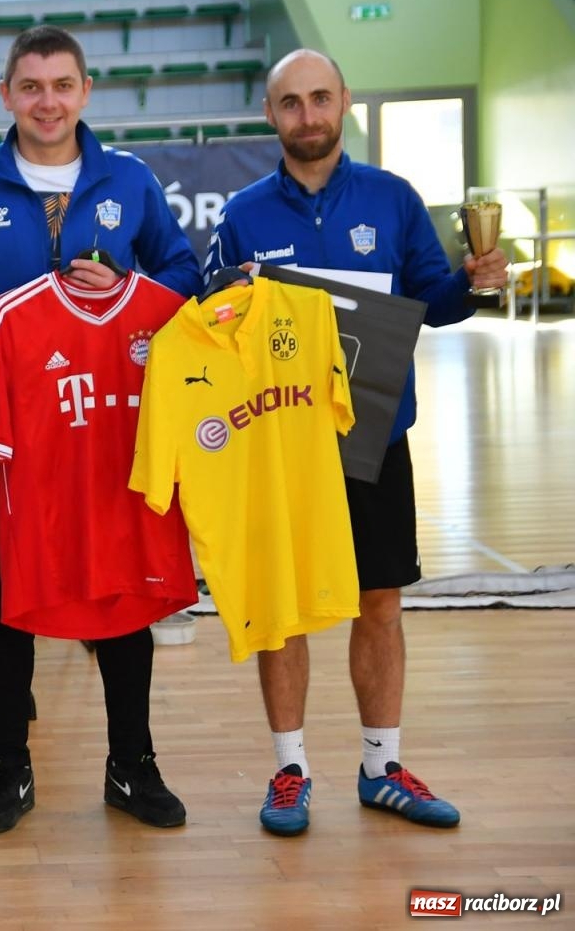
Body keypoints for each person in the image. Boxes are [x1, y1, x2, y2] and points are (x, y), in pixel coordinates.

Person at [0, 25, 202, 835]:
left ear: (85, 91)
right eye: (30, 86)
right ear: (7, 95)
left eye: (61, 85)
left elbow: (184, 274)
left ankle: (132, 763)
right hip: (13, 434)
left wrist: (126, 281)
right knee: (10, 600)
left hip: (111, 426)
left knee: (122, 596)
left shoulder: (129, 179)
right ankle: (8, 765)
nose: (47, 102)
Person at [203, 48, 507, 837]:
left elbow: (433, 300)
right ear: (270, 114)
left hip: (375, 436)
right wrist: (228, 303)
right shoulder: (242, 215)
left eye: (319, 98)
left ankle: (381, 768)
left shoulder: (392, 198)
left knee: (380, 601)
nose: (307, 115)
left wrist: (475, 282)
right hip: (282, 445)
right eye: (291, 102)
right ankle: (290, 771)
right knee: (285, 610)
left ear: (344, 101)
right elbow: (211, 319)